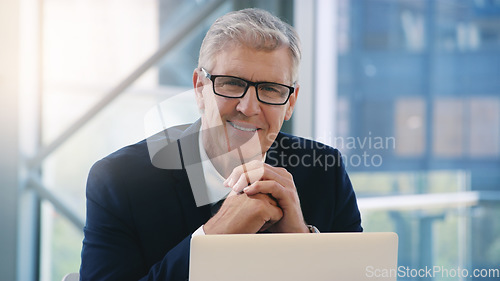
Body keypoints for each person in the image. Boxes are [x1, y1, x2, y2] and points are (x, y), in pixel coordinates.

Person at [80, 8, 362, 281]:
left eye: (270, 89)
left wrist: (300, 243)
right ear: (199, 89)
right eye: (231, 83)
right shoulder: (120, 181)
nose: (248, 107)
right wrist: (213, 237)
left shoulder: (325, 170)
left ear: (291, 102)